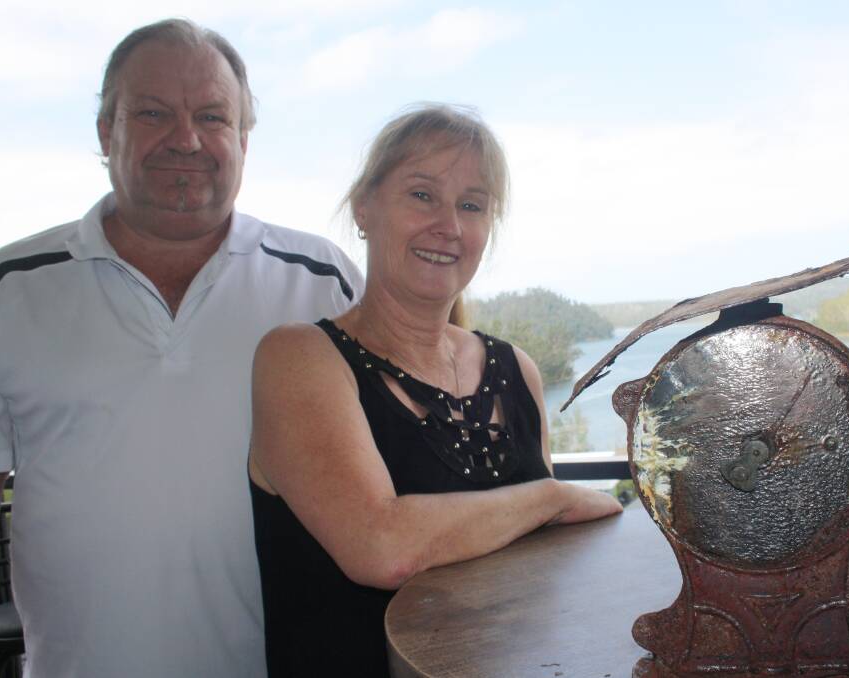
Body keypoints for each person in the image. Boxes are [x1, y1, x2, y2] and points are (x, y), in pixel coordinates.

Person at [0, 18, 362, 678]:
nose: (186, 139)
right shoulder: (4, 293)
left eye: (213, 117)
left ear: (244, 139)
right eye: (154, 112)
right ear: (107, 133)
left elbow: (398, 479)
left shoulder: (324, 283)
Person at [248, 104, 622, 676]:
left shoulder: (514, 368)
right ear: (364, 209)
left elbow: (540, 567)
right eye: (422, 195)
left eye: (471, 205)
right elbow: (382, 547)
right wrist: (553, 497)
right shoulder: (299, 359)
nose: (448, 225)